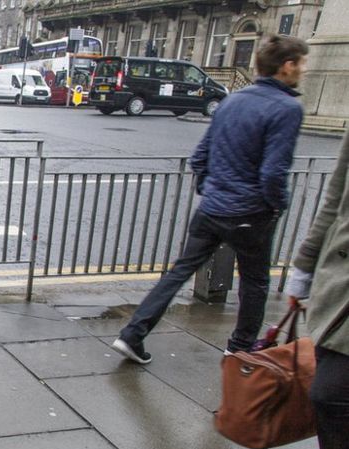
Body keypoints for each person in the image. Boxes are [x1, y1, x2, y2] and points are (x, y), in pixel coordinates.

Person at [111, 34, 309, 364]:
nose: (304, 70)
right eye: (302, 63)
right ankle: (240, 348)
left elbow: (199, 156)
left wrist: (211, 189)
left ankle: (133, 334)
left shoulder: (232, 101)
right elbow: (274, 172)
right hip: (250, 213)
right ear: (287, 66)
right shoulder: (287, 108)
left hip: (212, 208)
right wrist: (276, 205)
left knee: (178, 272)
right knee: (255, 283)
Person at [278, 131, 349, 449]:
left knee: (330, 393)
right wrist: (304, 266)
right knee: (328, 386)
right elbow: (336, 197)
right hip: (338, 282)